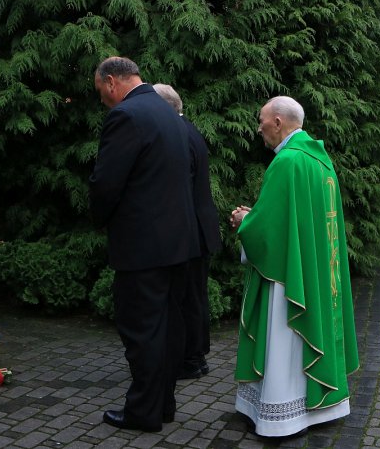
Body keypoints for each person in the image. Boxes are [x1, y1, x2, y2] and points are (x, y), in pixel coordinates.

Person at [229, 96, 359, 437]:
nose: (258, 128)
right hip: (315, 269)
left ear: (277, 123)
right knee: (307, 340)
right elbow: (297, 220)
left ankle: (284, 417)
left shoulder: (287, 162)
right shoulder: (320, 160)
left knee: (285, 340)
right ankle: (318, 408)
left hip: (290, 275)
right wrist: (257, 217)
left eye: (261, 121)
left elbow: (267, 229)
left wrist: (245, 220)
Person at [89, 57, 200, 432]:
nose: (103, 100)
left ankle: (143, 412)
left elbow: (106, 183)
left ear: (110, 82)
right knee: (168, 328)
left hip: (143, 248)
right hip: (178, 243)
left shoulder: (127, 115)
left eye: (100, 92)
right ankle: (163, 404)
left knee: (142, 331)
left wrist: (99, 217)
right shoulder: (168, 113)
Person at [152, 83, 222, 379]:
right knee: (194, 297)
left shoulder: (178, 135)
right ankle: (194, 357)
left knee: (188, 299)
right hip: (199, 226)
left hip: (190, 229)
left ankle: (191, 359)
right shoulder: (190, 130)